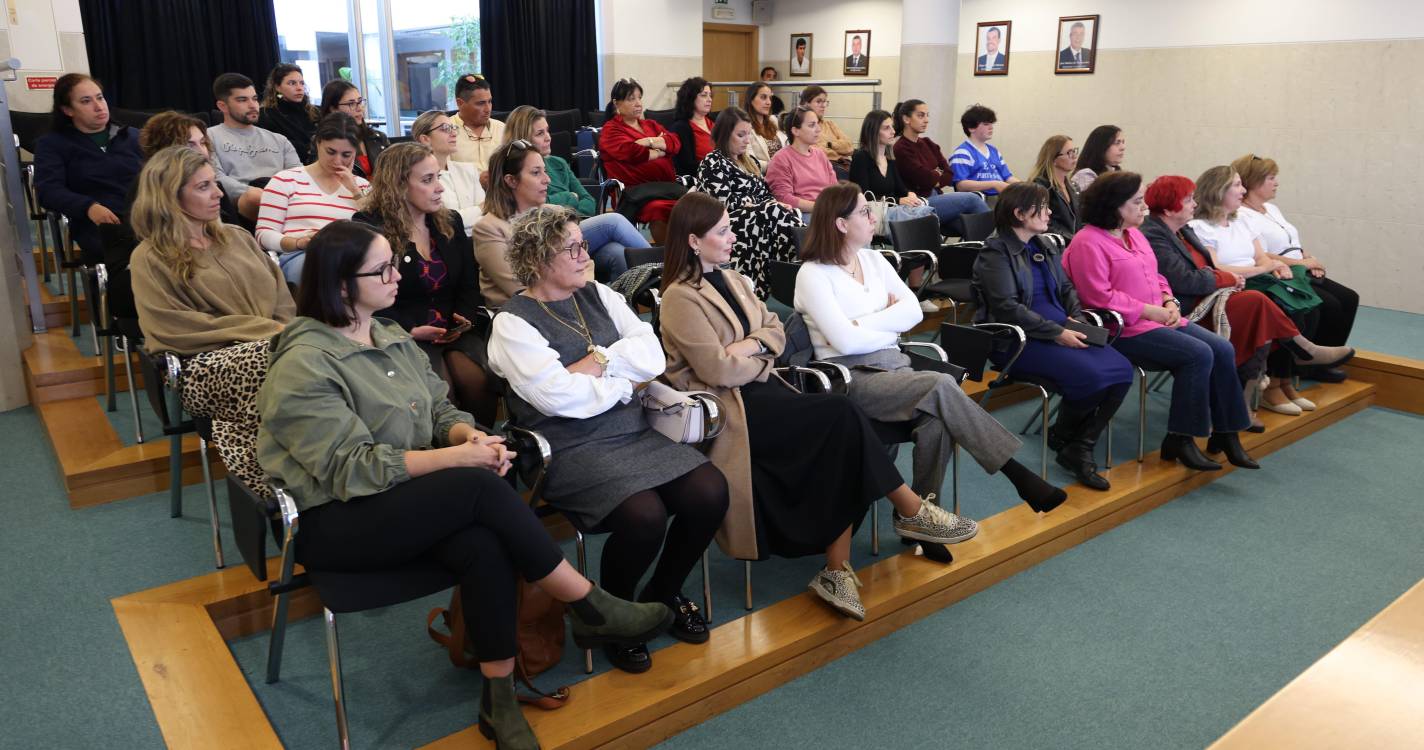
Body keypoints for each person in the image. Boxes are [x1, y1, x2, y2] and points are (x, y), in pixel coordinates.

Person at [254, 220, 673, 749]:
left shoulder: (387, 335)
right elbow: (350, 469)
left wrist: (468, 436)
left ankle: (498, 700)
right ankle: (586, 602)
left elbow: (439, 408)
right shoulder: (303, 363)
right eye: (382, 268)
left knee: (485, 540)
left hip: (400, 501)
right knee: (477, 489)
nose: (397, 275)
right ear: (341, 286)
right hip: (334, 518)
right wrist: (460, 457)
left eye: (394, 262)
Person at [659, 195, 971, 620]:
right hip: (732, 409)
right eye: (723, 232)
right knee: (842, 416)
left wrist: (748, 348)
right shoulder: (680, 297)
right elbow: (717, 370)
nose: (733, 237)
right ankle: (909, 511)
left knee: (843, 433)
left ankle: (838, 569)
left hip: (766, 389)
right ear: (694, 241)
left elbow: (775, 332)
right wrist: (757, 350)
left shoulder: (733, 280)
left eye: (731, 228)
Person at [487, 204, 729, 673]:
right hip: (564, 446)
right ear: (538, 259)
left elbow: (651, 354)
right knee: (644, 515)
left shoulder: (599, 293)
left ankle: (659, 596)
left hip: (630, 431)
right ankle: (615, 616)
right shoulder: (512, 323)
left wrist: (594, 365)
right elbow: (559, 399)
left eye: (584, 243)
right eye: (572, 248)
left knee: (710, 492)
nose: (586, 254)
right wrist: (622, 380)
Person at [795, 182, 1069, 514]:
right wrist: (885, 318)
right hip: (849, 376)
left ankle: (920, 514)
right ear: (840, 224)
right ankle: (1017, 473)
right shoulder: (813, 274)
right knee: (941, 384)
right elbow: (846, 343)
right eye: (865, 211)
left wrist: (862, 322)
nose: (873, 216)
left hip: (895, 365)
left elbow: (910, 313)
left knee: (937, 420)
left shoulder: (874, 261)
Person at [1062, 171, 1258, 471]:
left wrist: (1168, 300)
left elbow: (1156, 276)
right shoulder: (1088, 242)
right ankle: (1180, 437)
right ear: (1114, 206)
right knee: (1198, 354)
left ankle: (1226, 433)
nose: (1145, 208)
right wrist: (1148, 310)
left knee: (1221, 348)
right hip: (1121, 328)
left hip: (1158, 318)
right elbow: (1097, 297)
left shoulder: (1135, 234)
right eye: (1137, 202)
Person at [128, 146, 294, 496]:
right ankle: (279, 490)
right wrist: (269, 334)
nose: (218, 193)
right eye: (203, 187)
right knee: (285, 364)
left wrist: (283, 332)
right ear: (170, 196)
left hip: (275, 346)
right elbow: (174, 328)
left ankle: (333, 470)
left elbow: (282, 298)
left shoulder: (237, 237)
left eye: (215, 183)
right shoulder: (150, 257)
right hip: (202, 367)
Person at [1141, 175, 1353, 428]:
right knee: (1258, 304)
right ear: (1168, 208)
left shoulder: (1181, 229)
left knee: (1265, 312)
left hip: (1214, 294)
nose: (1194, 204)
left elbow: (1207, 269)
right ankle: (1299, 353)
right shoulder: (1157, 234)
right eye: (1187, 200)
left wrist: (1228, 278)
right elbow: (1185, 280)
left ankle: (1256, 392)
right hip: (1188, 306)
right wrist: (1226, 278)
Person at [972, 183, 1134, 489]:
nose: (1049, 212)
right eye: (1042, 207)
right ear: (1019, 214)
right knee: (1092, 375)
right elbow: (1007, 308)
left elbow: (1065, 288)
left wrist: (1076, 317)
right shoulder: (995, 251)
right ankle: (1071, 442)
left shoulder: (1043, 244)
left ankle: (1076, 443)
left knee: (1122, 370)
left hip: (1059, 327)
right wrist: (1057, 332)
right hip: (1018, 339)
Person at [351, 141, 500, 425]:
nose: (439, 188)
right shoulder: (368, 227)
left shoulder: (449, 221)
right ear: (398, 185)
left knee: (478, 378)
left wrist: (465, 317)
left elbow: (469, 280)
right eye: (427, 180)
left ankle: (486, 445)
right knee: (442, 391)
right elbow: (366, 296)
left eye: (438, 178)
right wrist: (410, 330)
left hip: (451, 327)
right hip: (399, 331)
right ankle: (451, 456)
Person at [1232, 153, 1359, 382]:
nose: (1276, 182)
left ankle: (1322, 364)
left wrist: (1307, 257)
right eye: (1271, 177)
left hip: (1298, 266)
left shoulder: (1271, 209)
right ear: (1254, 181)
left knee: (1349, 298)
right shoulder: (1241, 214)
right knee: (1326, 304)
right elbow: (1258, 253)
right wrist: (1301, 263)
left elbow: (1289, 240)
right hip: (1278, 272)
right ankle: (1299, 366)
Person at [474, 140, 646, 304]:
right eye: (536, 172)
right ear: (511, 180)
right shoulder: (489, 228)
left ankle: (652, 281)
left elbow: (585, 261)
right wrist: (579, 291)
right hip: (523, 315)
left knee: (615, 251)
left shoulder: (553, 212)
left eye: (545, 171)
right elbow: (519, 288)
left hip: (570, 299)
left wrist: (582, 295)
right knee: (613, 224)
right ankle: (659, 273)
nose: (547, 179)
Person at [33, 73, 144, 263]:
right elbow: (49, 190)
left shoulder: (134, 137)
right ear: (68, 110)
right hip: (99, 223)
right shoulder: (52, 144)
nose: (98, 106)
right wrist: (88, 207)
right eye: (86, 101)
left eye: (100, 98)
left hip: (146, 216)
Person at [694, 107, 803, 297]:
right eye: (741, 135)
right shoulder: (712, 162)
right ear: (725, 135)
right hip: (728, 222)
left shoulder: (749, 161)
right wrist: (760, 206)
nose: (747, 140)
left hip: (758, 217)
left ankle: (799, 270)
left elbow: (765, 195)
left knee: (785, 211)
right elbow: (723, 203)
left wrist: (772, 204)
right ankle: (805, 262)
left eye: (748, 134)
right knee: (772, 213)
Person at [256, 113, 370, 284]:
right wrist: (297, 242)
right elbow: (263, 234)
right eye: (331, 152)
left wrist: (354, 190)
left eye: (346, 155)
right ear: (318, 144)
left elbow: (376, 228)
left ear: (355, 153)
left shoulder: (363, 187)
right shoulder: (285, 180)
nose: (337, 161)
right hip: (301, 254)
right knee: (325, 272)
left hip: (351, 256)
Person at [850, 109, 986, 237]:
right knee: (971, 199)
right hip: (884, 214)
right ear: (873, 132)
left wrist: (909, 194)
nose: (892, 131)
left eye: (892, 126)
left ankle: (982, 250)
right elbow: (863, 198)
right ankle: (997, 241)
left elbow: (901, 189)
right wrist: (900, 199)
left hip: (907, 207)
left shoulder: (889, 159)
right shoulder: (861, 157)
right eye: (886, 128)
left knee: (964, 224)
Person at [208, 72, 302, 223]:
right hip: (242, 207)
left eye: (254, 99)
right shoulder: (208, 137)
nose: (253, 105)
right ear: (222, 106)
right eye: (242, 100)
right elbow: (215, 178)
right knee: (254, 197)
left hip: (285, 199)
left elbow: (297, 175)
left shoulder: (279, 139)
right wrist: (261, 195)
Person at [598, 77, 683, 234]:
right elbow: (632, 151)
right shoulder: (611, 130)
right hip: (636, 194)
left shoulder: (650, 124)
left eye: (639, 98)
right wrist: (661, 149)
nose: (638, 103)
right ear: (617, 104)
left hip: (666, 188)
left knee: (693, 206)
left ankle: (683, 253)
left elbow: (675, 143)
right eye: (631, 99)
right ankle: (665, 255)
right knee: (661, 209)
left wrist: (648, 141)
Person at [137, 111, 240, 225]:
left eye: (202, 143)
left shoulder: (215, 185)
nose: (202, 152)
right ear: (165, 149)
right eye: (190, 145)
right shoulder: (145, 191)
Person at [503, 105, 597, 216]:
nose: (548, 138)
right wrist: (570, 196)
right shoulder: (515, 168)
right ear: (523, 139)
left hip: (575, 221)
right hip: (539, 226)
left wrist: (567, 213)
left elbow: (589, 201)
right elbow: (531, 206)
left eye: (547, 131)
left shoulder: (559, 163)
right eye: (540, 133)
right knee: (612, 223)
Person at [411, 109, 484, 235]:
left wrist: (464, 216)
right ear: (425, 139)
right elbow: (443, 222)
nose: (454, 133)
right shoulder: (420, 178)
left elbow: (489, 212)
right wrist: (479, 209)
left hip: (481, 238)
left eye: (453, 127)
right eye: (445, 128)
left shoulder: (468, 170)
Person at [765, 106, 837, 219]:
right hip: (802, 214)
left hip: (826, 211)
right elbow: (784, 199)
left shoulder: (820, 155)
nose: (818, 129)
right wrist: (822, 207)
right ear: (795, 131)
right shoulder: (781, 159)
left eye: (817, 124)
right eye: (812, 125)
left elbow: (834, 188)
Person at [318, 80, 389, 178]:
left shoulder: (378, 137)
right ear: (333, 109)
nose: (359, 108)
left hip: (380, 192)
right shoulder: (322, 141)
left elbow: (393, 174)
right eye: (351, 104)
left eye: (360, 102)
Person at [891, 100, 957, 199]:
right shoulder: (901, 148)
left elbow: (949, 173)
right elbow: (925, 180)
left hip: (937, 194)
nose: (926, 120)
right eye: (921, 116)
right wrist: (937, 172)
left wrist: (934, 178)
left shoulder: (928, 143)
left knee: (973, 199)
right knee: (971, 199)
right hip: (920, 200)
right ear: (906, 119)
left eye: (927, 115)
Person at [949, 104, 1017, 197]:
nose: (991, 127)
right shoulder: (962, 153)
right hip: (978, 200)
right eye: (986, 124)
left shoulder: (994, 151)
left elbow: (1008, 177)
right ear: (971, 128)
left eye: (991, 124)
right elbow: (961, 185)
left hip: (1000, 198)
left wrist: (1024, 186)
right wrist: (994, 184)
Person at [257, 63, 319, 162]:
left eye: (302, 83)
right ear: (278, 87)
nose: (299, 88)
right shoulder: (266, 115)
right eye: (292, 83)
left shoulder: (315, 111)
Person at [1028, 134, 1080, 238]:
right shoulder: (1040, 186)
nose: (1074, 156)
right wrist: (1072, 240)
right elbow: (1042, 224)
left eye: (1074, 151)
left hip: (1072, 243)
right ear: (1054, 159)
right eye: (1069, 153)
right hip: (1053, 245)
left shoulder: (1073, 186)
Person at [450, 74, 506, 171]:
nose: (488, 109)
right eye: (481, 103)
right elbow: (441, 174)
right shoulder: (445, 131)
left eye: (490, 101)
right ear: (460, 103)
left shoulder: (502, 129)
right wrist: (476, 180)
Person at [670, 77, 716, 178]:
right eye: (704, 95)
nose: (709, 99)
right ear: (690, 98)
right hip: (702, 178)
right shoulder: (680, 128)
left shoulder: (714, 122)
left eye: (710, 95)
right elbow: (686, 167)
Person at [800, 86, 853, 171]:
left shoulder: (830, 124)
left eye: (825, 102)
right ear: (806, 104)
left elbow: (849, 147)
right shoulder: (801, 127)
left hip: (845, 165)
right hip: (823, 166)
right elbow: (815, 152)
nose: (823, 106)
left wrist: (829, 144)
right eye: (818, 101)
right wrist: (838, 150)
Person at [1070, 125, 1124, 192]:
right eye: (1117, 143)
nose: (1123, 147)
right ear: (1101, 146)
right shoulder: (1085, 175)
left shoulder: (1115, 171)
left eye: (1123, 142)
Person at [744, 81, 785, 169]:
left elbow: (787, 146)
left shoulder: (773, 120)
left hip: (785, 172)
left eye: (770, 98)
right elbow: (748, 160)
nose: (768, 102)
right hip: (763, 176)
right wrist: (776, 166)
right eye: (763, 97)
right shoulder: (744, 125)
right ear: (751, 100)